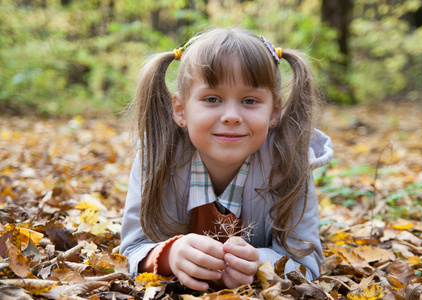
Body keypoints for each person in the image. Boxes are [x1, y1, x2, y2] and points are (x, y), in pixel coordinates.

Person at [119, 28, 333, 291]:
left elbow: (306, 263)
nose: (231, 116)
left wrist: (258, 265)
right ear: (180, 109)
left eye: (250, 100)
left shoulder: (290, 161)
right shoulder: (157, 155)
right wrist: (168, 256)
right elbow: (130, 250)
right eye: (212, 99)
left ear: (274, 111)